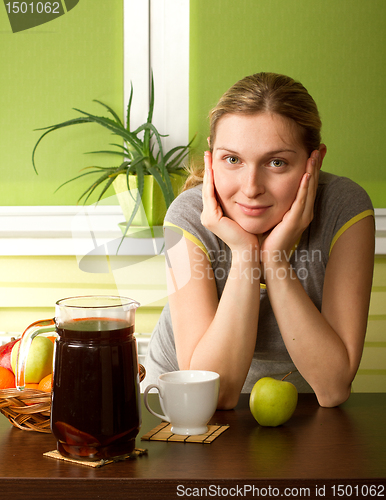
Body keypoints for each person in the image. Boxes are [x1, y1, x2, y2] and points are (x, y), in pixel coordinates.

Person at [145, 72, 375, 409]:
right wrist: (243, 253)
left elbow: (333, 387)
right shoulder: (186, 217)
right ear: (212, 157)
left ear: (315, 159)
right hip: (178, 406)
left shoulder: (345, 209)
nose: (251, 187)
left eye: (276, 162)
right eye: (233, 160)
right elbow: (215, 396)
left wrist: (275, 259)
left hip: (296, 409)